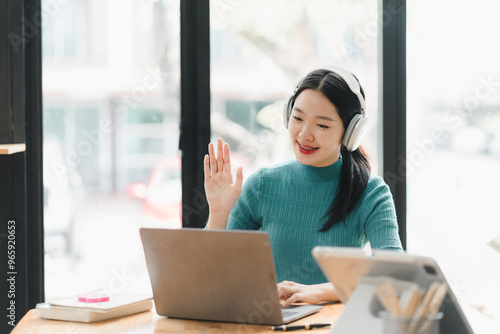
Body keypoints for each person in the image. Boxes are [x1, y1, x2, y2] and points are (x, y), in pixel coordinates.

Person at [204, 67, 403, 307]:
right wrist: (218, 213)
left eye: (322, 125)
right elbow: (213, 272)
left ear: (351, 133)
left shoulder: (372, 193)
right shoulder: (263, 184)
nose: (304, 134)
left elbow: (394, 278)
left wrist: (319, 292)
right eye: (297, 118)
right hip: (271, 326)